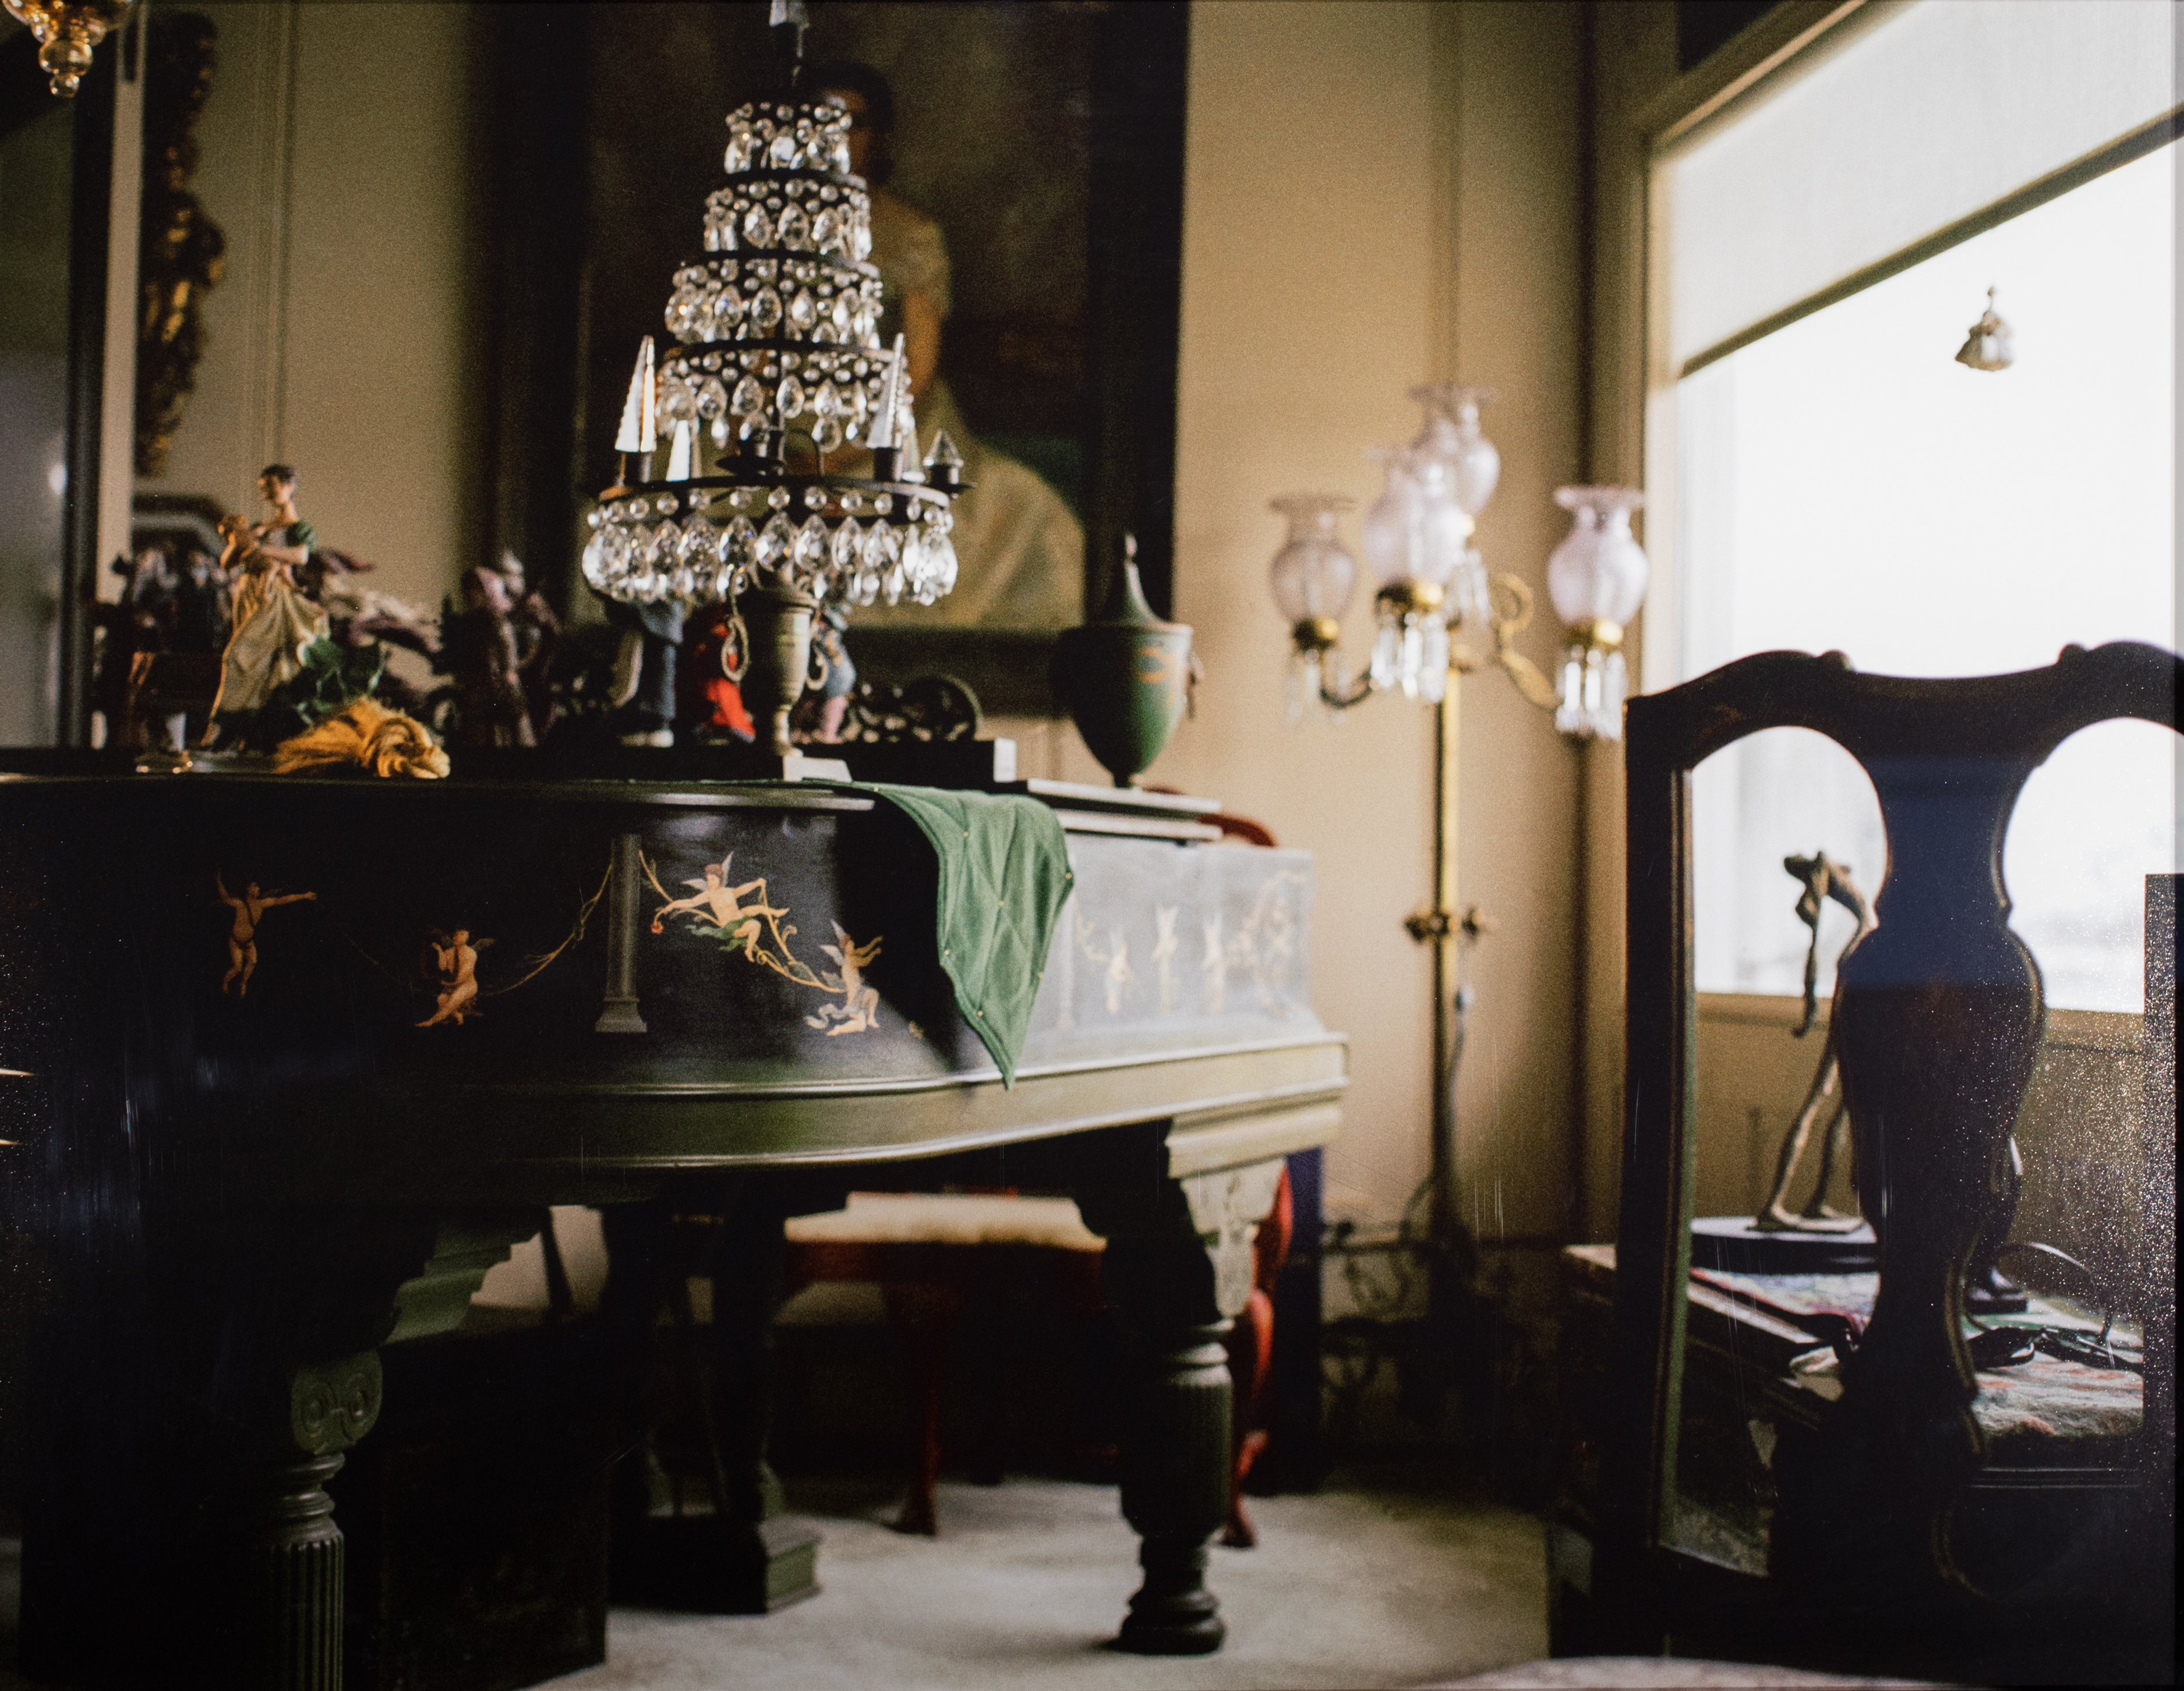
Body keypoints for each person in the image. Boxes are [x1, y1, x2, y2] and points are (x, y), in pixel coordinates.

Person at [808, 62, 1084, 631]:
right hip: (792, 422)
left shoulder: (908, 233)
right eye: (822, 119)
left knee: (1000, 515)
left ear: (878, 134)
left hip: (888, 421)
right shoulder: (770, 228)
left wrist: (847, 450)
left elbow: (916, 367)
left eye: (853, 122)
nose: (837, 136)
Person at [204, 464, 330, 743]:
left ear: (289, 486)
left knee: (240, 657)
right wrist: (240, 544)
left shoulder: (299, 529)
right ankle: (244, 733)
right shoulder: (259, 528)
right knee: (253, 661)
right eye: (262, 489)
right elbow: (227, 563)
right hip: (248, 594)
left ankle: (217, 732)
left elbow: (300, 556)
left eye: (270, 486)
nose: (265, 494)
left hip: (273, 597)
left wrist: (260, 549)